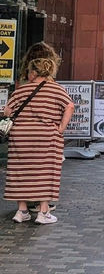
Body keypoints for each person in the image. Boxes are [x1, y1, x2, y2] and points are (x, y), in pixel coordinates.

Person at [4, 42, 75, 224]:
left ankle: (22, 211)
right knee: (45, 172)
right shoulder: (56, 89)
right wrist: (60, 128)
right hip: (46, 136)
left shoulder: (21, 90)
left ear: (33, 72)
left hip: (20, 136)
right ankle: (43, 213)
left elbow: (7, 112)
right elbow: (69, 106)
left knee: (20, 172)